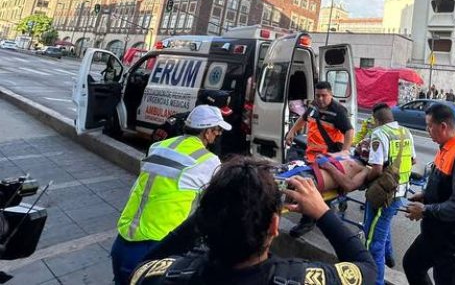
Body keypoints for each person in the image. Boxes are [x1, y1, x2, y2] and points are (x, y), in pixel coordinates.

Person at [130, 157, 376, 285]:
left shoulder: (165, 275)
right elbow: (365, 267)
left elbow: (143, 266)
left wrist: (213, 207)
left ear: (205, 220)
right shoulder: (299, 277)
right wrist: (322, 212)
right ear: (273, 226)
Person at [111, 105, 230, 285]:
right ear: (207, 132)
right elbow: (219, 201)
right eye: (217, 130)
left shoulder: (159, 146)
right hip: (157, 248)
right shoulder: (209, 161)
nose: (218, 134)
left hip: (122, 241)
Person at [323, 103, 415, 285]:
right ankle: (389, 256)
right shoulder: (405, 132)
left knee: (373, 243)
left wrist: (365, 176)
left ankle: (377, 281)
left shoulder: (379, 134)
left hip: (385, 195)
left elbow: (377, 169)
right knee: (382, 225)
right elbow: (413, 159)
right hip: (400, 191)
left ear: (376, 119)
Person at [403, 103, 455, 285]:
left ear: (443, 127)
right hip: (436, 233)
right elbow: (443, 187)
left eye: (430, 125)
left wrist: (425, 210)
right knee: (412, 264)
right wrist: (425, 196)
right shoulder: (445, 148)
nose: (427, 130)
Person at [284, 81, 353, 237]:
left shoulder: (338, 111)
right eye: (318, 95)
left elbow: (349, 131)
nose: (321, 99)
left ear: (331, 95)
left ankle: (308, 222)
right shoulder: (314, 106)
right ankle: (327, 208)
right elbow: (303, 118)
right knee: (306, 182)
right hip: (311, 155)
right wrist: (292, 132)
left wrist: (345, 151)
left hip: (326, 159)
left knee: (316, 191)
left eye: (324, 96)